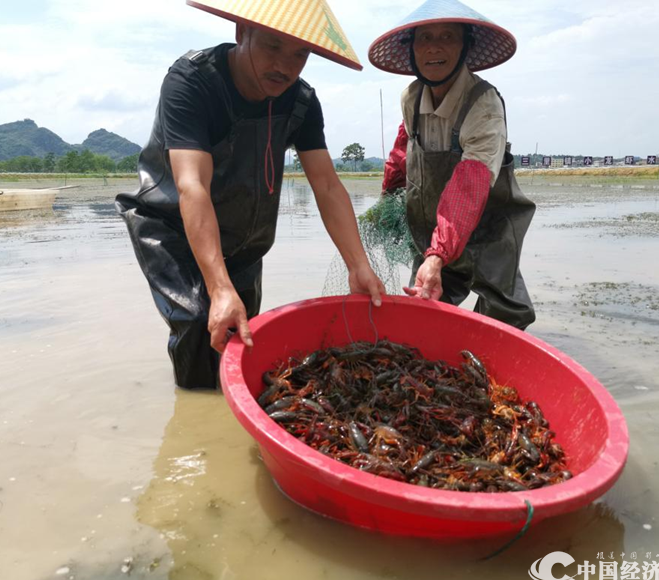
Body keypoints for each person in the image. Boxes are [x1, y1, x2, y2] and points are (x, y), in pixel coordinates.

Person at [116, 0, 385, 389]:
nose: (284, 66)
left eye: (299, 54)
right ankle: (196, 416)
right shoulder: (192, 82)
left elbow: (327, 185)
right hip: (172, 228)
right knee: (199, 323)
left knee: (240, 337)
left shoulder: (302, 101)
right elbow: (192, 186)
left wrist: (358, 264)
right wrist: (219, 287)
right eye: (273, 45)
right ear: (242, 31)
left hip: (243, 236)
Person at [368, 0, 536, 329]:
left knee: (505, 312)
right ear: (412, 48)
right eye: (425, 38)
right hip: (432, 225)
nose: (434, 48)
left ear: (465, 46)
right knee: (426, 305)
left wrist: (438, 254)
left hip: (488, 228)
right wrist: (388, 196)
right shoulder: (410, 98)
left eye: (447, 36)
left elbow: (469, 187)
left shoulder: (483, 104)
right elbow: (403, 149)